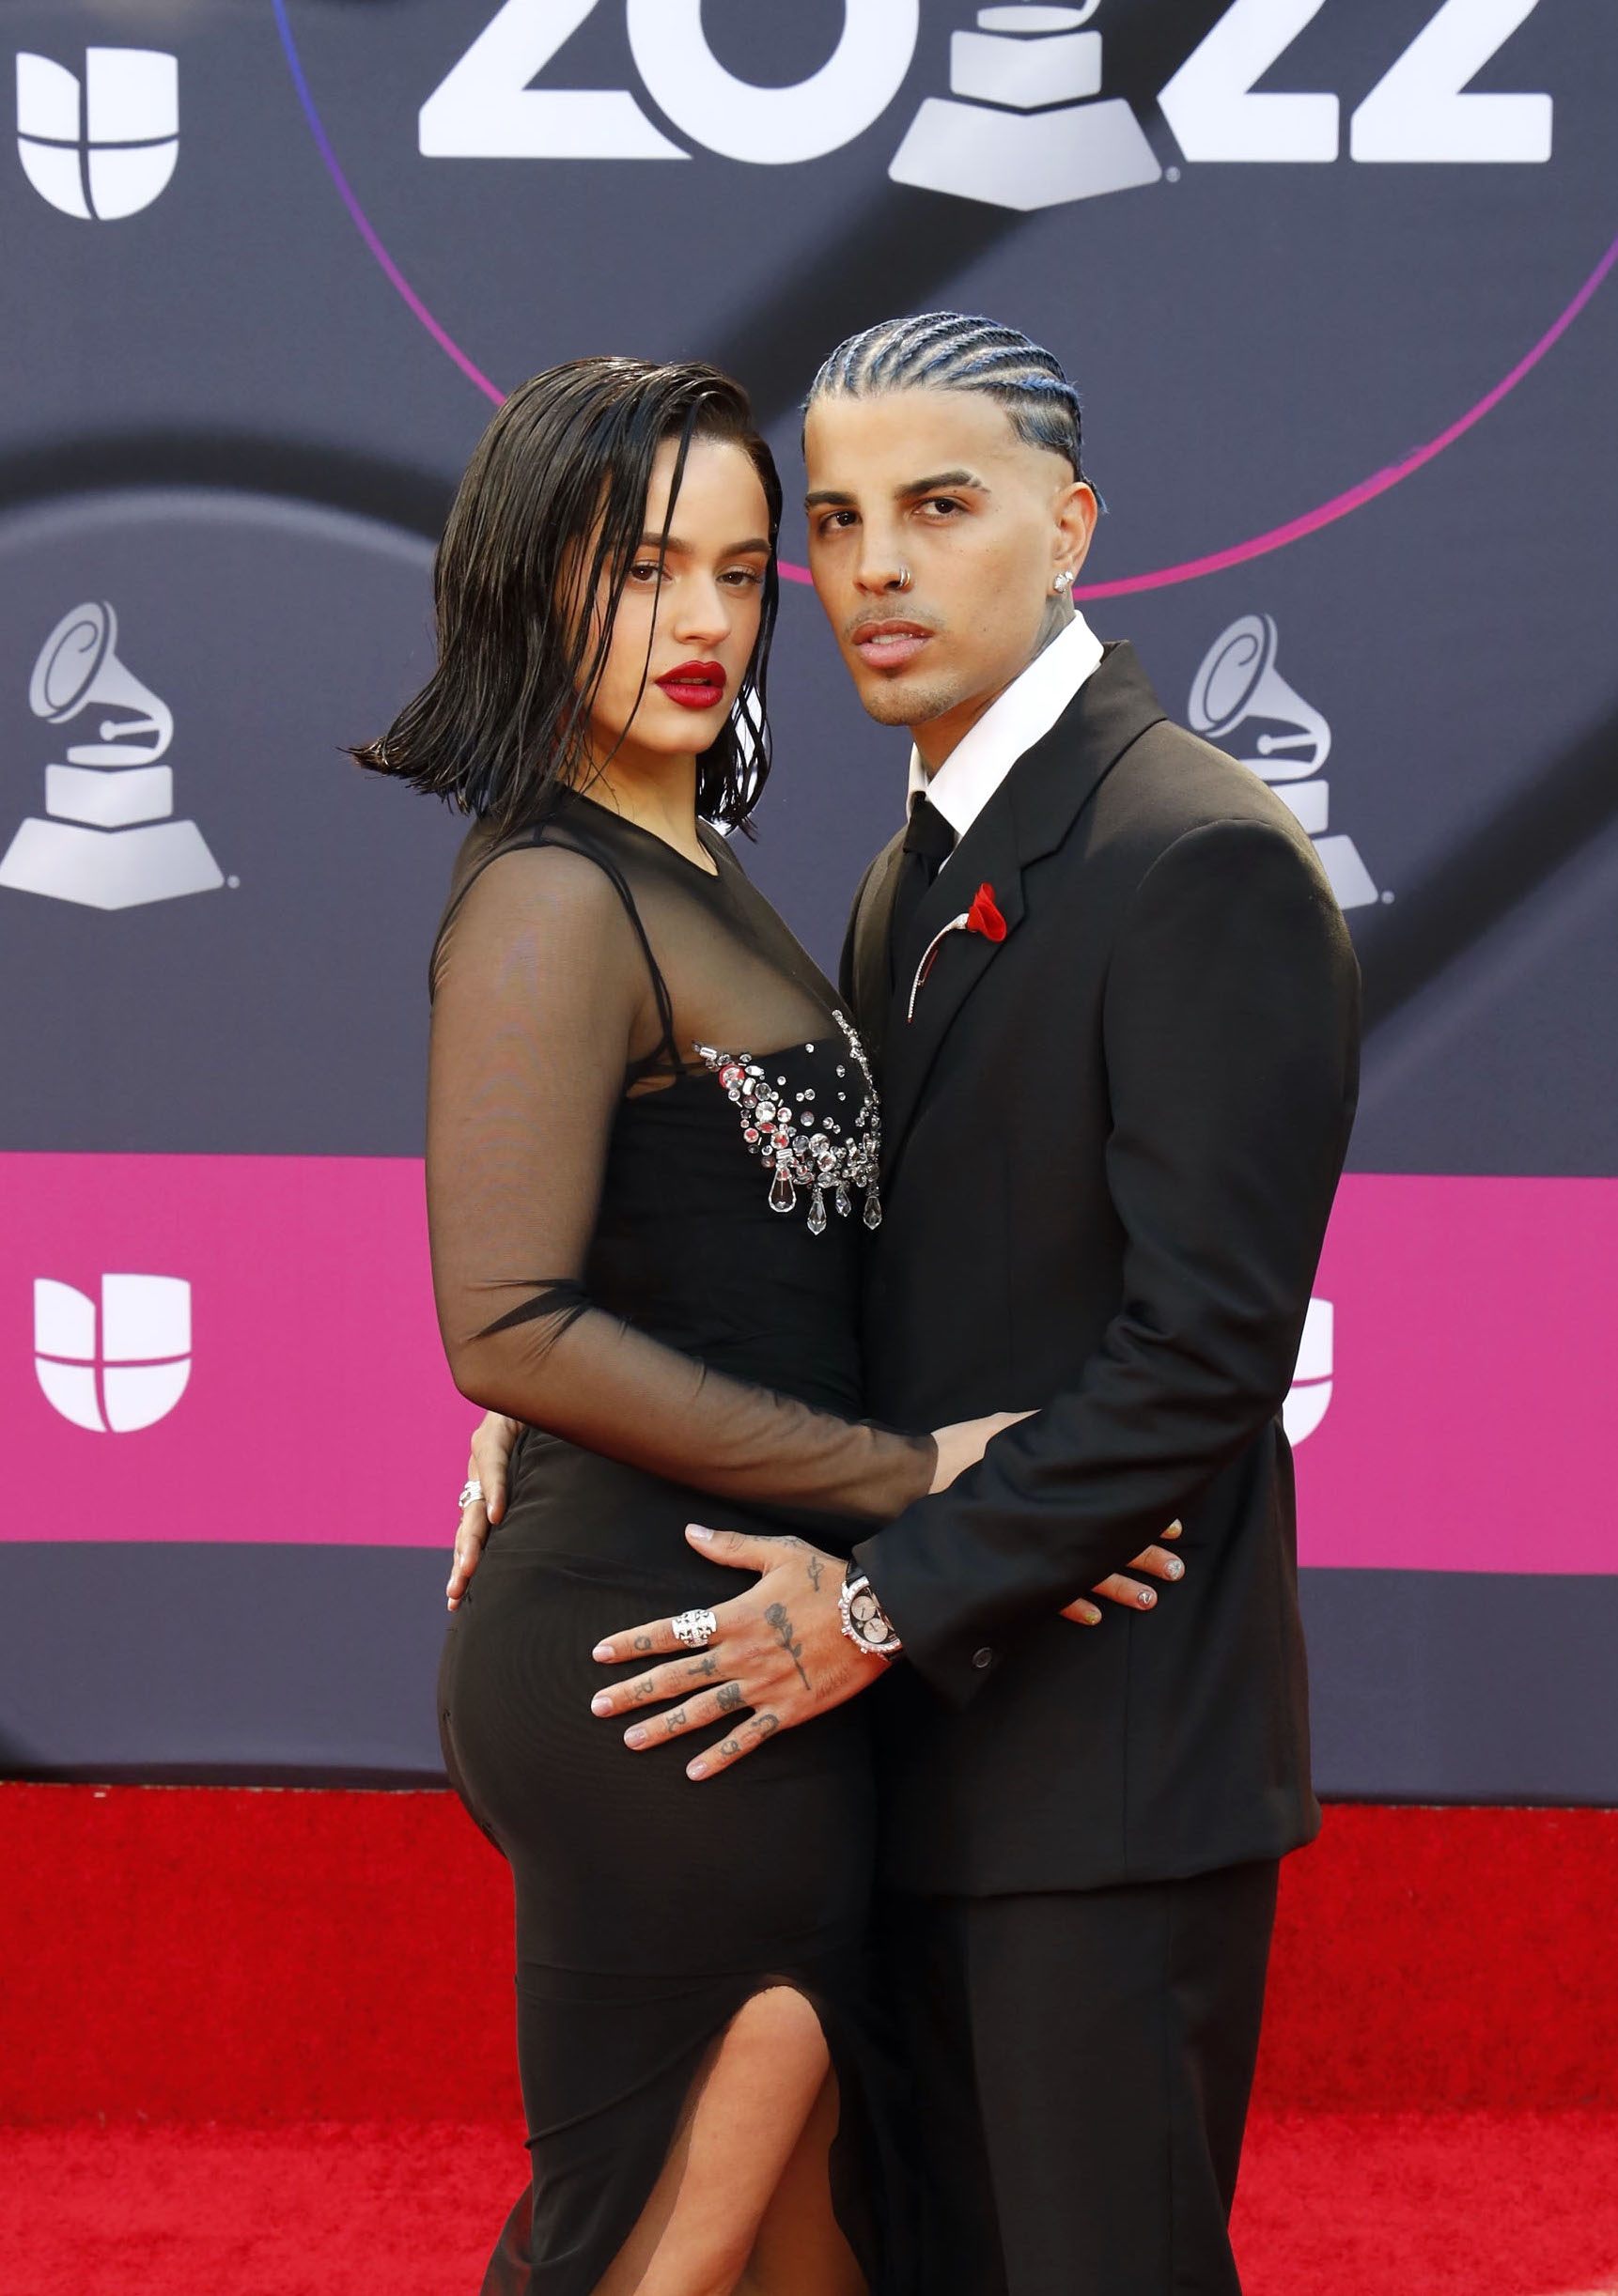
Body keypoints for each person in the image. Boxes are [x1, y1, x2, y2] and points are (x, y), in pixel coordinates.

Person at [459, 315, 1360, 2295]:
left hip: (1099, 1783)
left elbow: (1206, 1354)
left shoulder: (1195, 853)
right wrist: (547, 1373)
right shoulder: (891, 885)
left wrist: (874, 1605)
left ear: (1071, 524)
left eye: (937, 509)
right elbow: (821, 1244)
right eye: (840, 522)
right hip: (895, 1771)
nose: (869, 569)